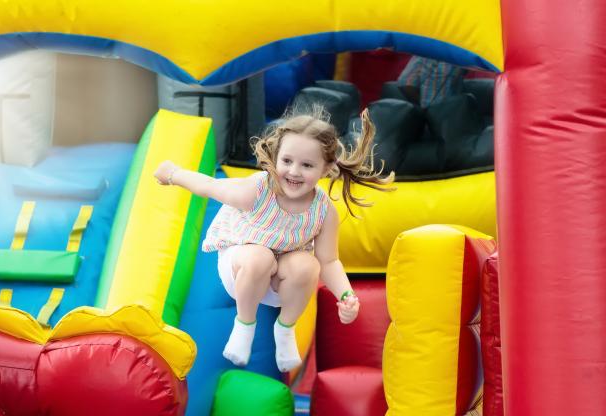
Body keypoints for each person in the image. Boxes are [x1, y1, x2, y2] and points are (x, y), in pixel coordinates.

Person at [153, 108, 393, 372]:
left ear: (327, 169)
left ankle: (285, 328)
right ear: (276, 157)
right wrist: (173, 174)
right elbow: (209, 186)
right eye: (287, 160)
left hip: (281, 283)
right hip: (242, 267)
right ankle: (244, 325)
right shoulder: (256, 190)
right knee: (260, 257)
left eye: (307, 165)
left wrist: (346, 295)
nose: (294, 171)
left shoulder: (324, 211)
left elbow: (329, 260)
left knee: (308, 264)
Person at [397, 56, 465, 108]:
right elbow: (405, 83)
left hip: (429, 113)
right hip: (450, 113)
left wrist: (424, 105)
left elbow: (405, 82)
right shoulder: (462, 51)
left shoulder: (426, 47)